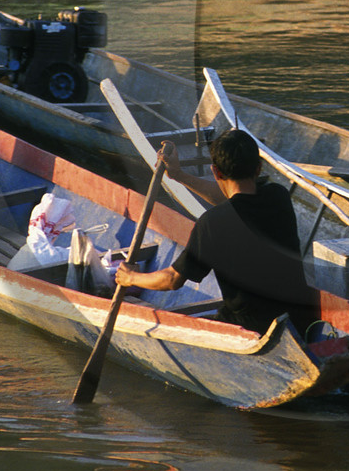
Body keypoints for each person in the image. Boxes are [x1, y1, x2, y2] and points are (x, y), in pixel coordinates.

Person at [113, 131, 319, 334]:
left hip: (251, 328)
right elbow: (233, 200)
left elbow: (172, 279)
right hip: (300, 319)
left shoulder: (212, 223)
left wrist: (131, 278)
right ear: (258, 168)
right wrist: (178, 176)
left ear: (216, 172)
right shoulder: (278, 196)